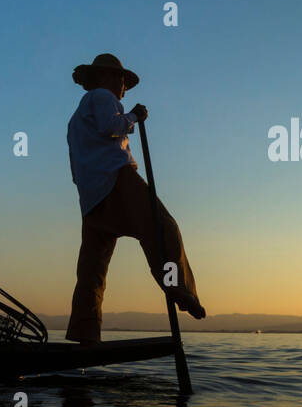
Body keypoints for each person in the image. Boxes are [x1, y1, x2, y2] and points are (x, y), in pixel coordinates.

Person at [65, 53, 204, 345]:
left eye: (124, 81)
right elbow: (111, 126)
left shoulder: (75, 120)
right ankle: (179, 288)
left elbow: (75, 163)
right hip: (116, 179)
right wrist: (134, 117)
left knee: (92, 270)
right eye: (120, 79)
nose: (123, 86)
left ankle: (85, 332)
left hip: (91, 198)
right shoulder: (103, 97)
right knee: (163, 227)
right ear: (103, 78)